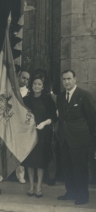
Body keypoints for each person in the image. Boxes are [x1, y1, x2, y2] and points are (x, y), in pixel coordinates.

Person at [56, 70, 96, 205]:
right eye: (64, 79)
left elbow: (92, 119)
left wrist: (90, 138)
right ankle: (71, 192)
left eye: (69, 79)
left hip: (80, 139)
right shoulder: (61, 97)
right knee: (67, 167)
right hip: (65, 139)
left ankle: (83, 196)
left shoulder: (84, 95)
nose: (66, 82)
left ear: (75, 79)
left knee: (80, 168)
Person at [22, 76, 57, 198]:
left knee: (40, 161)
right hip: (29, 134)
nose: (37, 86)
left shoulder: (48, 99)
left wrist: (44, 123)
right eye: (35, 84)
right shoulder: (25, 99)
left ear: (43, 86)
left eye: (39, 84)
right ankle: (31, 186)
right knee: (30, 161)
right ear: (31, 86)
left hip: (42, 134)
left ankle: (39, 188)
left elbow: (53, 116)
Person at [15, 70, 30, 184]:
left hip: (24, 126)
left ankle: (21, 174)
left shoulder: (29, 93)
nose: (25, 80)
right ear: (18, 76)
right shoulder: (11, 90)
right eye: (23, 77)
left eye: (27, 79)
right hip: (12, 123)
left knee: (22, 150)